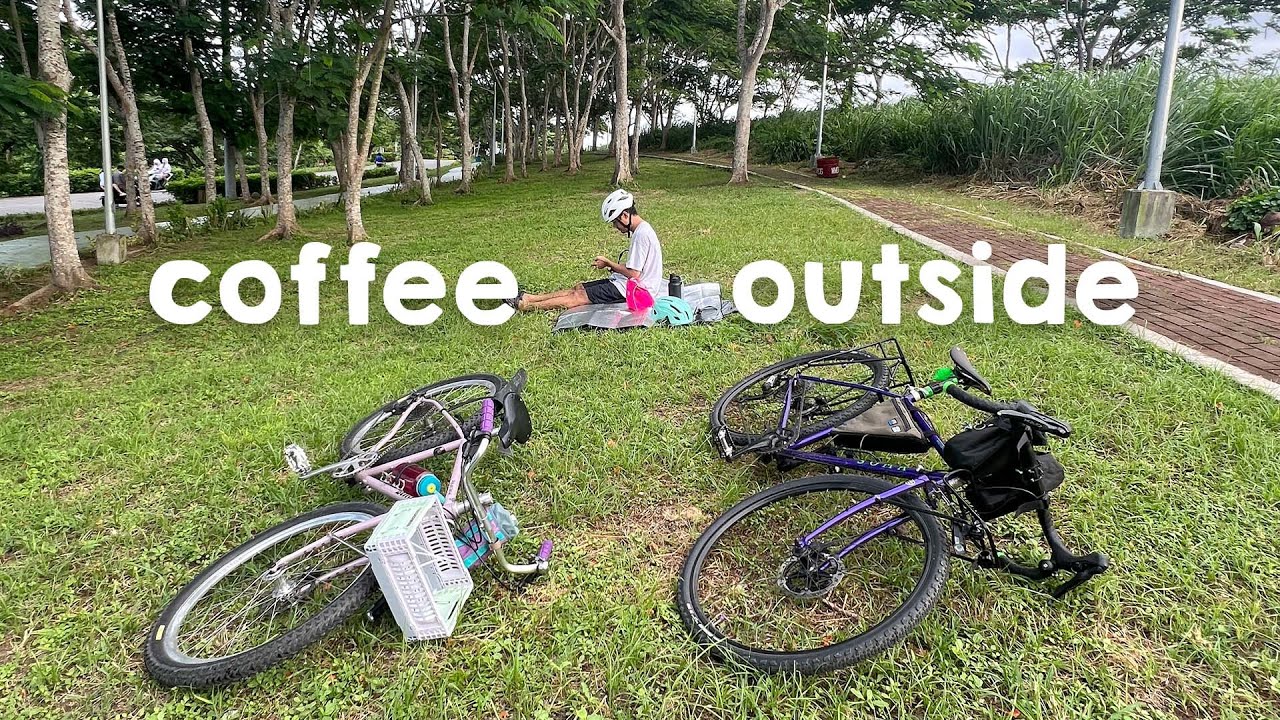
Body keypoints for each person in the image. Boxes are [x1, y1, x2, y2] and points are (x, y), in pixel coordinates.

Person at [508, 189, 664, 312]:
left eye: (615, 223)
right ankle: (531, 297)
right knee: (579, 288)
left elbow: (634, 273)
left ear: (624, 215)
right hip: (628, 284)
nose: (615, 227)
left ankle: (525, 305)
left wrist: (609, 263)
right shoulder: (642, 230)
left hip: (639, 292)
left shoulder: (641, 235)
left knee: (578, 296)